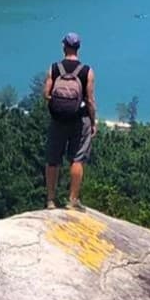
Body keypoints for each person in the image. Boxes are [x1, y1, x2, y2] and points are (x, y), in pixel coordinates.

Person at [44, 32, 97, 210]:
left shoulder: (54, 68)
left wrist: (58, 105)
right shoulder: (86, 71)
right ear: (78, 48)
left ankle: (51, 199)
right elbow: (90, 100)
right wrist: (93, 121)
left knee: (53, 159)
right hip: (80, 119)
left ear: (63, 46)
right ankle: (72, 200)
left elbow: (46, 94)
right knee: (77, 159)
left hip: (58, 119)